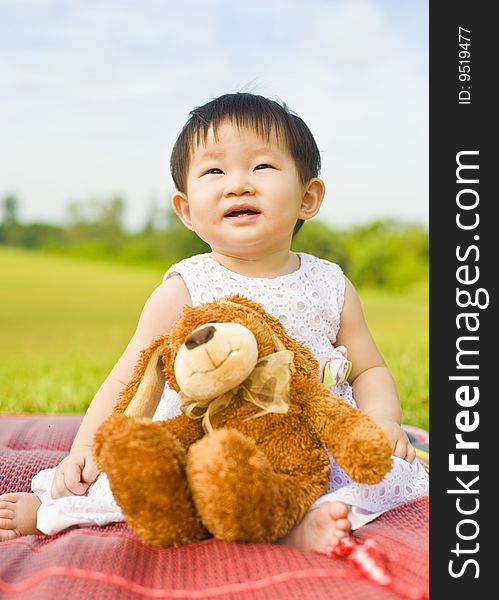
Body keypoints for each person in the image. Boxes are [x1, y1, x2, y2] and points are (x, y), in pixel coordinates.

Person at [0, 93, 428, 553]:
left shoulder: (330, 285)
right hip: (206, 439)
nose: (238, 185)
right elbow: (131, 376)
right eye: (214, 172)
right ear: (186, 209)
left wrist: (383, 422)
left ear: (308, 197)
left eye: (262, 167)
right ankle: (47, 508)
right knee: (148, 480)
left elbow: (368, 369)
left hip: (303, 444)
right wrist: (85, 449)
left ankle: (301, 525)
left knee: (369, 478)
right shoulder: (184, 287)